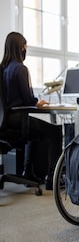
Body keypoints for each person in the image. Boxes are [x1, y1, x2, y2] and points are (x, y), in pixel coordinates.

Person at [0, 32, 62, 190]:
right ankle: (52, 179)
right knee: (54, 131)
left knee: (35, 132)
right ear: (21, 47)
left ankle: (27, 172)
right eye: (25, 46)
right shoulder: (20, 68)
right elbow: (28, 100)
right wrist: (37, 102)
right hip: (17, 119)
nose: (25, 49)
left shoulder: (3, 69)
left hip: (4, 121)